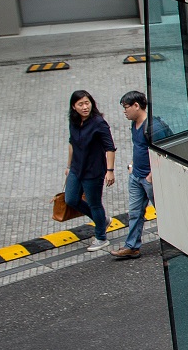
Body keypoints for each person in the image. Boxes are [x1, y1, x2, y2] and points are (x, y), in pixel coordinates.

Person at [112, 90, 168, 260]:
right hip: (137, 176)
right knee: (135, 212)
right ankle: (132, 246)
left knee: (165, 212)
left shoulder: (153, 128)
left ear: (137, 106)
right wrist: (133, 166)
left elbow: (164, 153)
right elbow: (139, 148)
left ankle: (174, 244)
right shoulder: (135, 123)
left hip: (150, 178)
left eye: (126, 107)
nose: (124, 111)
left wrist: (152, 175)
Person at [63, 90, 116, 252]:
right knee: (70, 199)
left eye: (87, 103)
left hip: (93, 171)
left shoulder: (98, 123)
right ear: (74, 106)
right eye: (81, 104)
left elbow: (110, 147)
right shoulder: (74, 121)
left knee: (94, 204)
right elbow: (72, 143)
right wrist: (68, 166)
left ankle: (101, 237)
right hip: (76, 168)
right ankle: (102, 221)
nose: (85, 107)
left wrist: (110, 170)